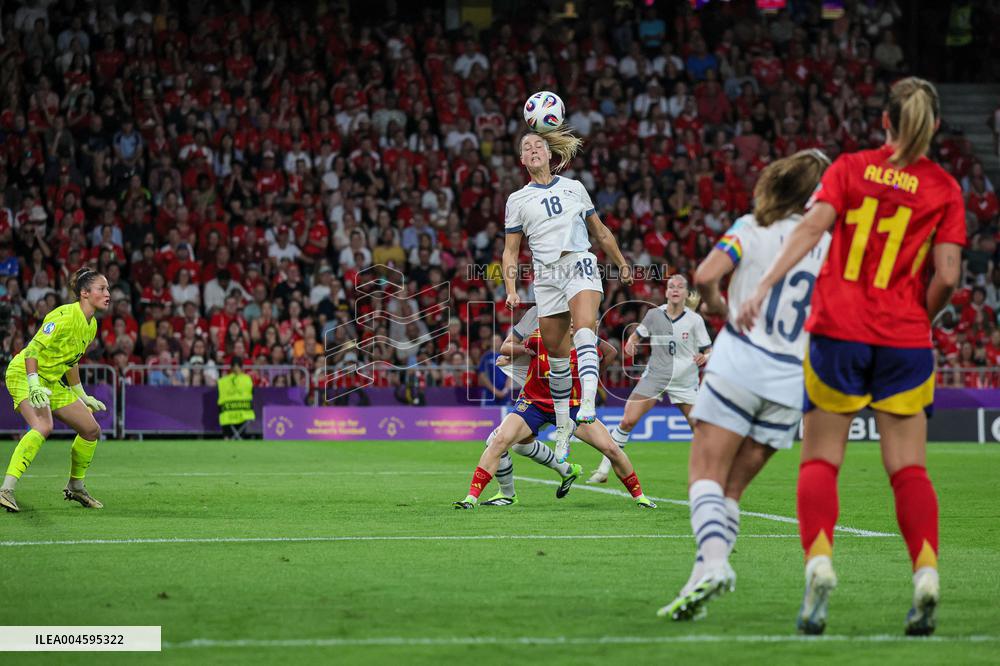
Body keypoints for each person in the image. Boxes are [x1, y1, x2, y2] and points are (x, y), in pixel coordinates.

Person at [736, 78, 966, 636]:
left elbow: (812, 227)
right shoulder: (945, 188)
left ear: (884, 123)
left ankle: (818, 565)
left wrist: (764, 284)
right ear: (933, 127)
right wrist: (918, 316)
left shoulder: (850, 167)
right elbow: (949, 277)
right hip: (904, 340)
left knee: (821, 460)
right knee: (909, 469)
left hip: (838, 331)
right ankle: (926, 575)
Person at [655, 149, 832, 621]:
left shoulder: (751, 227)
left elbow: (706, 275)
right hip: (792, 380)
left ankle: (713, 565)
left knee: (704, 476)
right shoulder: (830, 245)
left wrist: (718, 304)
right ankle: (700, 577)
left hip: (741, 364)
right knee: (730, 491)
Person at [502, 127, 633, 464]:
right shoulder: (517, 200)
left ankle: (587, 402)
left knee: (586, 327)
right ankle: (563, 430)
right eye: (526, 147)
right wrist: (511, 289)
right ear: (522, 160)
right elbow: (510, 251)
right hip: (545, 276)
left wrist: (621, 263)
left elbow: (600, 231)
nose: (533, 150)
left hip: (578, 261)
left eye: (538, 145)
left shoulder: (574, 188)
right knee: (558, 360)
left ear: (549, 154)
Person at [454, 322, 655, 510]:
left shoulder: (588, 347)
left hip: (572, 407)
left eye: (574, 320)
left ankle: (640, 497)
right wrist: (510, 358)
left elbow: (610, 353)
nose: (570, 324)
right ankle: (471, 498)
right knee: (499, 441)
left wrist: (592, 382)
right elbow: (516, 349)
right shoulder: (539, 337)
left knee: (611, 448)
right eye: (566, 319)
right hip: (534, 404)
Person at [1, 268, 111, 513]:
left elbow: (71, 361)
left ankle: (76, 486)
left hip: (50, 380)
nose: (108, 294)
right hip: (25, 373)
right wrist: (33, 383)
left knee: (91, 430)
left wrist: (82, 395)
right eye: (102, 289)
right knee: (43, 425)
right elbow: (31, 351)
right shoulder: (62, 316)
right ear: (85, 293)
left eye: (107, 289)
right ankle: (6, 489)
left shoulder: (90, 325)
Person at [588, 275, 712, 484]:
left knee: (699, 429)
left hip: (685, 380)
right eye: (671, 286)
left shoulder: (694, 320)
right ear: (666, 292)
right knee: (627, 420)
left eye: (680, 287)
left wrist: (705, 357)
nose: (675, 289)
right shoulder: (655, 315)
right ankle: (603, 470)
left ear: (685, 293)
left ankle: (709, 474)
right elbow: (636, 336)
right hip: (655, 376)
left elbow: (709, 350)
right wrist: (631, 344)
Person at [481, 305, 583, 506]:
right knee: (519, 445)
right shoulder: (535, 313)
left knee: (496, 441)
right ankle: (567, 470)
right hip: (536, 393)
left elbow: (602, 349)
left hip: (563, 400)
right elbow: (511, 345)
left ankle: (507, 494)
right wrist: (516, 356)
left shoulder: (579, 309)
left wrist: (589, 385)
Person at [217, 357, 255, 439]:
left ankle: (226, 437)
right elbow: (251, 394)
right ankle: (240, 436)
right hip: (244, 412)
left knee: (222, 411)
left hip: (227, 412)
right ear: (242, 367)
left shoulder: (223, 381)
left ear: (230, 367)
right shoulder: (247, 379)